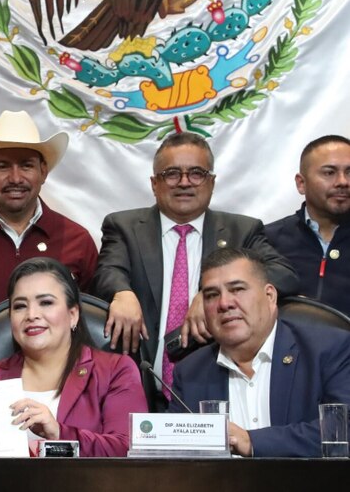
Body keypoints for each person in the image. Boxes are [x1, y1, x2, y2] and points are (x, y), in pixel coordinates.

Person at [92, 132, 297, 408]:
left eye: (196, 173)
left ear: (211, 182)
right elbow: (107, 270)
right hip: (137, 387)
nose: (185, 182)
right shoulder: (123, 226)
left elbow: (284, 274)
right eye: (172, 174)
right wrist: (121, 292)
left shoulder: (243, 230)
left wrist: (210, 295)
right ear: (155, 183)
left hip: (215, 388)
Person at [169, 248, 350, 457]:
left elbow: (342, 431)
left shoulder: (329, 349)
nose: (224, 303)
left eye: (237, 289)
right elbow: (175, 455)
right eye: (211, 295)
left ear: (270, 296)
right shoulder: (190, 372)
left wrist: (251, 441)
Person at [0, 257, 146, 457]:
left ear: (73, 315)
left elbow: (129, 449)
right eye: (20, 306)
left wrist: (59, 433)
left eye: (46, 302)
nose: (32, 314)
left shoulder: (115, 370)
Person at [0, 110, 98, 311]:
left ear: (43, 172)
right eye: (3, 167)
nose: (15, 178)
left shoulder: (77, 240)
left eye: (26, 166)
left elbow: (91, 322)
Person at [266, 135, 350, 316]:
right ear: (301, 183)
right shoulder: (266, 241)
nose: (343, 181)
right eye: (329, 172)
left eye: (349, 172)